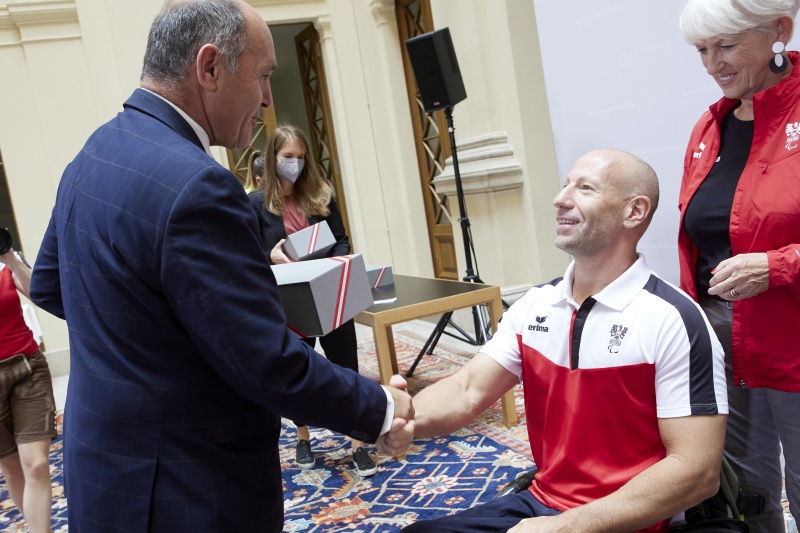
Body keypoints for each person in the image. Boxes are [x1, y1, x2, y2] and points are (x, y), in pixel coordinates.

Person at [29, 1, 413, 532]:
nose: (266, 98)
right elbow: (266, 363)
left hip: (104, 469)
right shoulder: (198, 185)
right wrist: (381, 410)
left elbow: (49, 285)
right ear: (209, 68)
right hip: (187, 487)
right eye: (261, 76)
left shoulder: (92, 153)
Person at [401, 149, 728, 533]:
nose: (560, 199)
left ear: (634, 212)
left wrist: (567, 527)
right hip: (544, 501)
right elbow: (467, 389)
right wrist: (399, 418)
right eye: (564, 185)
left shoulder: (674, 320)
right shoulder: (536, 304)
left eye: (585, 187)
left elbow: (696, 471)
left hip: (632, 520)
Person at [678, 1, 800, 530]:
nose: (712, 64)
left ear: (779, 30)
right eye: (702, 51)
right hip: (725, 347)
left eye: (725, 46)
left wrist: (777, 267)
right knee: (745, 493)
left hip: (793, 341)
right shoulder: (710, 127)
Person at [249, 124, 377, 476]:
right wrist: (269, 257)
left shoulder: (320, 195)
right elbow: (245, 256)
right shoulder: (254, 205)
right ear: (273, 158)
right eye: (288, 157)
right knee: (296, 372)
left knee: (346, 366)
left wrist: (333, 259)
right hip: (289, 301)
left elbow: (342, 240)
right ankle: (302, 435)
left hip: (330, 292)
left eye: (301, 158)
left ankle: (357, 440)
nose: (296, 164)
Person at [0, 244, 57, 533]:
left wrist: (10, 258)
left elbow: (40, 295)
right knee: (11, 467)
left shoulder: (4, 264)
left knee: (35, 464)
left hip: (27, 369)